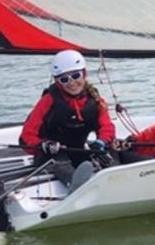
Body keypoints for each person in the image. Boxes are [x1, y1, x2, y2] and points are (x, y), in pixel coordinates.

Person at [19, 50, 115, 192]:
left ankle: (111, 181)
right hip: (50, 156)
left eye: (76, 76)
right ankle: (75, 187)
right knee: (60, 159)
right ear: (57, 81)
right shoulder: (48, 101)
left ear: (84, 73)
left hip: (78, 150)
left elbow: (107, 128)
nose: (72, 83)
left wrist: (101, 143)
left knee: (107, 153)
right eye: (64, 79)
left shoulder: (95, 101)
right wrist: (43, 145)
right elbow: (26, 138)